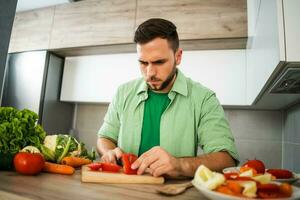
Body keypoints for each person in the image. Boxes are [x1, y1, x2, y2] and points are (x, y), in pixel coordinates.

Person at [97, 18, 239, 178]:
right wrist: (109, 151)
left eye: (159, 62)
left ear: (178, 57)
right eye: (143, 63)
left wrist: (179, 165)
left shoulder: (204, 99)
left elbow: (227, 159)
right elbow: (105, 137)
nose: (149, 73)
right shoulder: (123, 92)